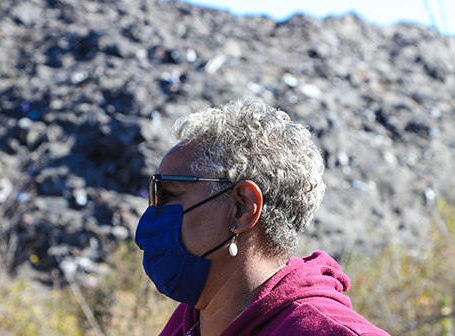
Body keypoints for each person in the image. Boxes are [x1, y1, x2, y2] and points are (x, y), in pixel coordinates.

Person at [135, 99, 389, 336]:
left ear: (243, 208)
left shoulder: (323, 330)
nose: (153, 215)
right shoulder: (192, 321)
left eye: (167, 195)